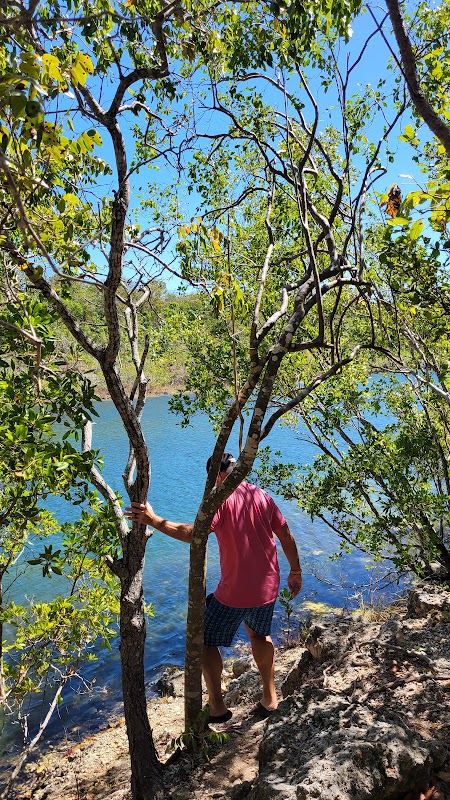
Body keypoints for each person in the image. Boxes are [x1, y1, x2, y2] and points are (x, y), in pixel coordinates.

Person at [125, 452, 302, 723]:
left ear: (215, 476)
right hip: (268, 586)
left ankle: (218, 707)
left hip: (235, 593)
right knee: (259, 636)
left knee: (205, 640)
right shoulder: (260, 495)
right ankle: (270, 698)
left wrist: (154, 520)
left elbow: (193, 534)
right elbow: (286, 536)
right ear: (234, 470)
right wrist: (296, 570)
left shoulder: (219, 499)